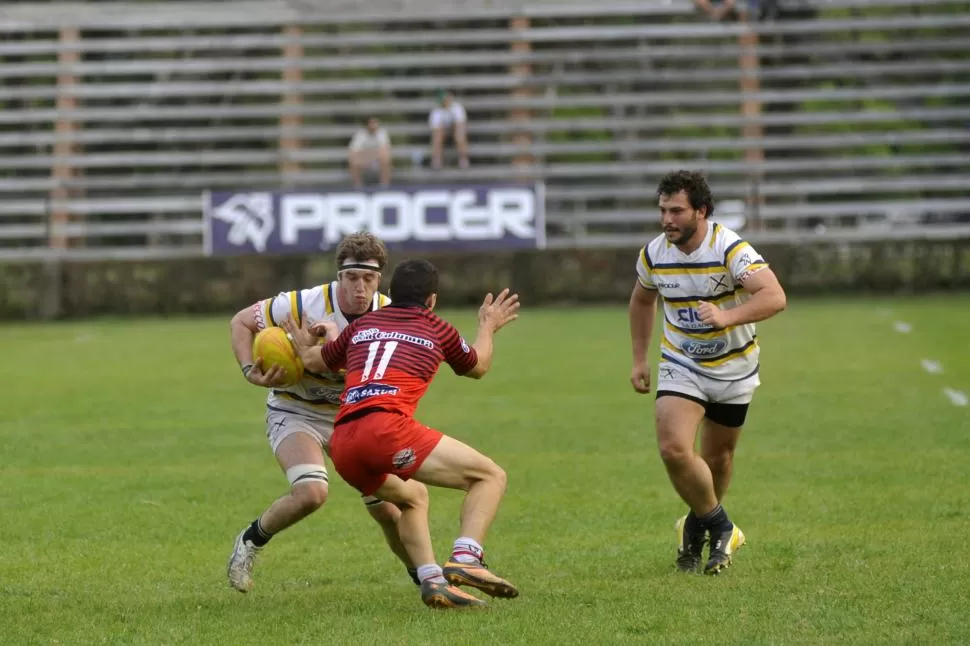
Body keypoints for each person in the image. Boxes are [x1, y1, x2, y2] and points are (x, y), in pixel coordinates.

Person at [282, 260, 520, 609]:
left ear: (388, 294)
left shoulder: (363, 324)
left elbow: (317, 362)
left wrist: (304, 346)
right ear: (432, 301)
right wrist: (487, 325)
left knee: (412, 498)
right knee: (490, 477)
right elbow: (478, 366)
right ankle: (467, 558)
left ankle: (433, 581)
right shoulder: (437, 328)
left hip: (344, 441)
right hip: (387, 430)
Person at [226, 232, 421, 592]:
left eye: (369, 278)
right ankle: (250, 541)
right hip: (296, 410)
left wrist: (328, 349)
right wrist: (247, 370)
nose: (359, 288)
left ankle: (424, 579)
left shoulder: (390, 316)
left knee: (389, 511)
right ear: (338, 276)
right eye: (351, 278)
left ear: (380, 279)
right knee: (312, 492)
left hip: (356, 418)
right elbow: (241, 321)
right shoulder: (303, 305)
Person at [628, 170, 787, 575]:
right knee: (674, 448)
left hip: (735, 369)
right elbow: (642, 302)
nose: (667, 219)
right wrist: (640, 358)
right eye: (663, 210)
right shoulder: (654, 254)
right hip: (682, 363)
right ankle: (723, 526)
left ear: (701, 211)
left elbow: (775, 296)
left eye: (677, 210)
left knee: (718, 459)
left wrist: (725, 316)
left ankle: (696, 528)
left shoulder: (730, 248)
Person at [428, 90, 469, 170]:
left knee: (459, 134)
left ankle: (463, 159)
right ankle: (437, 160)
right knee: (437, 137)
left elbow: (460, 124)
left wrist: (453, 128)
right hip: (443, 132)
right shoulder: (436, 111)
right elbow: (436, 129)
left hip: (455, 130)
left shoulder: (457, 108)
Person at [348, 117, 392, 188]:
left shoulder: (382, 133)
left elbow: (385, 150)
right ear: (367, 124)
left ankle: (384, 185)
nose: (374, 125)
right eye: (372, 123)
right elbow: (354, 152)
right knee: (353, 162)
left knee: (386, 159)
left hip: (376, 160)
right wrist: (367, 158)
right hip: (364, 160)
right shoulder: (360, 134)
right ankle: (358, 186)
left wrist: (371, 156)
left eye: (375, 123)